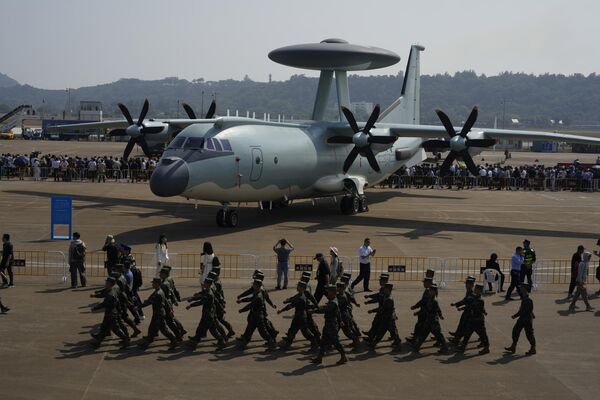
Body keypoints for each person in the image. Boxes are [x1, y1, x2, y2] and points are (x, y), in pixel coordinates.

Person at [311, 285, 348, 365]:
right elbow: (337, 311)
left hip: (332, 325)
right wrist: (340, 320)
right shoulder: (333, 300)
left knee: (336, 342)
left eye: (328, 292)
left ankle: (343, 356)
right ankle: (319, 357)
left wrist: (314, 311)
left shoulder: (333, 302)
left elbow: (325, 309)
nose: (327, 294)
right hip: (328, 324)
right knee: (323, 341)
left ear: (333, 293)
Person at [89, 277, 130, 348]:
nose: (105, 283)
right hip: (113, 310)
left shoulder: (110, 294)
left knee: (115, 329)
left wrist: (95, 308)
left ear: (109, 284)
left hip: (111, 313)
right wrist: (95, 295)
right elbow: (104, 293)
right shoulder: (115, 287)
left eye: (106, 282)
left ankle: (126, 339)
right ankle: (98, 342)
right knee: (104, 327)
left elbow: (104, 303)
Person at [186, 277, 226, 350]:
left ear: (208, 284)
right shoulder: (207, 290)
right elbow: (200, 295)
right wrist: (192, 299)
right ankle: (195, 341)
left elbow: (201, 301)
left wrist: (191, 305)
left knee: (211, 330)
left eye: (205, 283)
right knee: (201, 328)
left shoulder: (209, 294)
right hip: (207, 314)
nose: (203, 284)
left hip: (208, 315)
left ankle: (221, 341)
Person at [139, 277, 179, 349]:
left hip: (158, 314)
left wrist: (138, 307)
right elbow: (165, 301)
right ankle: (149, 341)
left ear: (157, 284)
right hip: (159, 313)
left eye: (153, 283)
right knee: (154, 328)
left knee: (162, 329)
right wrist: (170, 310)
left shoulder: (158, 293)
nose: (152, 284)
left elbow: (149, 302)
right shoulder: (160, 291)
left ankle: (174, 340)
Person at [278, 280, 318, 350]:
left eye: (298, 286)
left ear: (302, 288)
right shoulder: (300, 295)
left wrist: (281, 310)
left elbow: (290, 306)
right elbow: (292, 299)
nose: (297, 287)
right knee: (292, 330)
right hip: (298, 316)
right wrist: (287, 300)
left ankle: (314, 342)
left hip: (301, 317)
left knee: (305, 332)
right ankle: (287, 345)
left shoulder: (300, 297)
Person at [237, 279, 276, 350]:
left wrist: (242, 310)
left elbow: (250, 305)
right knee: (249, 329)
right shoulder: (257, 292)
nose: (252, 285)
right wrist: (241, 300)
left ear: (257, 286)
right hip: (254, 315)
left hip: (258, 316)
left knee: (263, 332)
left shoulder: (258, 296)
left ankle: (272, 343)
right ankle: (244, 343)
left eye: (254, 284)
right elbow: (250, 298)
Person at [365, 282, 402, 351]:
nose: (383, 289)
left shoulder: (389, 299)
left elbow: (382, 308)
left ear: (389, 289)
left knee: (393, 333)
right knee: (381, 331)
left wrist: (372, 311)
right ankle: (373, 344)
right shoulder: (386, 296)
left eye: (385, 288)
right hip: (386, 318)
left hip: (389, 318)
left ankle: (398, 346)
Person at [456, 284, 490, 355]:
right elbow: (468, 304)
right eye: (475, 288)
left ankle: (486, 348)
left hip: (478, 321)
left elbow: (471, 307)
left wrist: (462, 308)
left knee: (483, 335)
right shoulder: (473, 298)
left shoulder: (480, 301)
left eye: (477, 289)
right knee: (467, 334)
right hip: (472, 320)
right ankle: (463, 346)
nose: (475, 290)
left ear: (480, 291)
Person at [505, 284, 536, 355]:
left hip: (526, 319)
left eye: (521, 288)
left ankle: (533, 348)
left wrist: (515, 316)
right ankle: (513, 346)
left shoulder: (527, 300)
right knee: (515, 331)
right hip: (522, 318)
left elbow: (523, 311)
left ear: (525, 289)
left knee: (529, 334)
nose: (520, 289)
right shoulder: (524, 297)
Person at [449, 276, 476, 344]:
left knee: (466, 326)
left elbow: (469, 305)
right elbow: (464, 300)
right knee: (462, 324)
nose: (466, 286)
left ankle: (457, 339)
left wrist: (461, 308)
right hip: (467, 311)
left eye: (468, 284)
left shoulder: (472, 294)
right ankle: (457, 336)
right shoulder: (468, 292)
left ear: (472, 285)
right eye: (466, 284)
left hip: (471, 313)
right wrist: (455, 304)